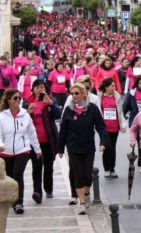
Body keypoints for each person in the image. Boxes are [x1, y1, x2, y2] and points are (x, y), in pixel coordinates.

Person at [58, 83, 109, 215]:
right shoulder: (69, 110)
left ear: (84, 94)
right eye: (72, 93)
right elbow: (63, 131)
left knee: (87, 175)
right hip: (73, 147)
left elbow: (101, 127)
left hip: (88, 146)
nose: (74, 96)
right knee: (78, 174)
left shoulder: (92, 109)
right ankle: (81, 202)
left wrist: (103, 142)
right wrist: (60, 149)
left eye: (77, 93)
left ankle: (86, 193)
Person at [0, 89, 42, 214]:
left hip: (22, 150)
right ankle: (11, 200)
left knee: (18, 175)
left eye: (19, 98)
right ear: (8, 100)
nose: (18, 100)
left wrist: (37, 148)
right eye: (15, 98)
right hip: (5, 152)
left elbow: (32, 133)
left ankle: (19, 203)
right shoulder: (2, 116)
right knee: (10, 177)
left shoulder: (25, 115)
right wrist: (1, 145)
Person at [24, 80, 62, 203]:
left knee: (49, 166)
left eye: (42, 87)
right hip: (34, 141)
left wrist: (50, 103)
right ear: (33, 89)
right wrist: (27, 113)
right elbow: (21, 121)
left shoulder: (50, 99)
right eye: (38, 87)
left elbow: (58, 115)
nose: (40, 90)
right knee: (36, 167)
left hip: (49, 139)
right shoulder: (27, 101)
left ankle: (48, 188)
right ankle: (37, 192)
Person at [97, 78, 127, 178]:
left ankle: (112, 169)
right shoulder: (99, 96)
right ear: (106, 87)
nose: (114, 88)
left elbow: (120, 112)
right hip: (104, 127)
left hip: (114, 126)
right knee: (106, 147)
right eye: (112, 86)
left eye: (114, 86)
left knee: (112, 148)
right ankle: (107, 169)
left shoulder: (117, 96)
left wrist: (122, 125)